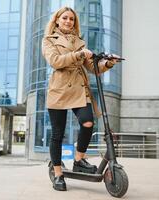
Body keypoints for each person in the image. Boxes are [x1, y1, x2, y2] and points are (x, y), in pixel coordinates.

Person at [42, 7, 120, 191]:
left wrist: (108, 63)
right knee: (57, 134)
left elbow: (93, 67)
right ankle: (59, 174)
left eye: (72, 19)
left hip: (79, 88)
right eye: (65, 18)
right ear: (57, 20)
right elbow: (55, 61)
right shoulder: (49, 40)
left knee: (87, 123)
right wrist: (78, 54)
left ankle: (78, 160)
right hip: (59, 89)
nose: (69, 21)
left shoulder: (80, 42)